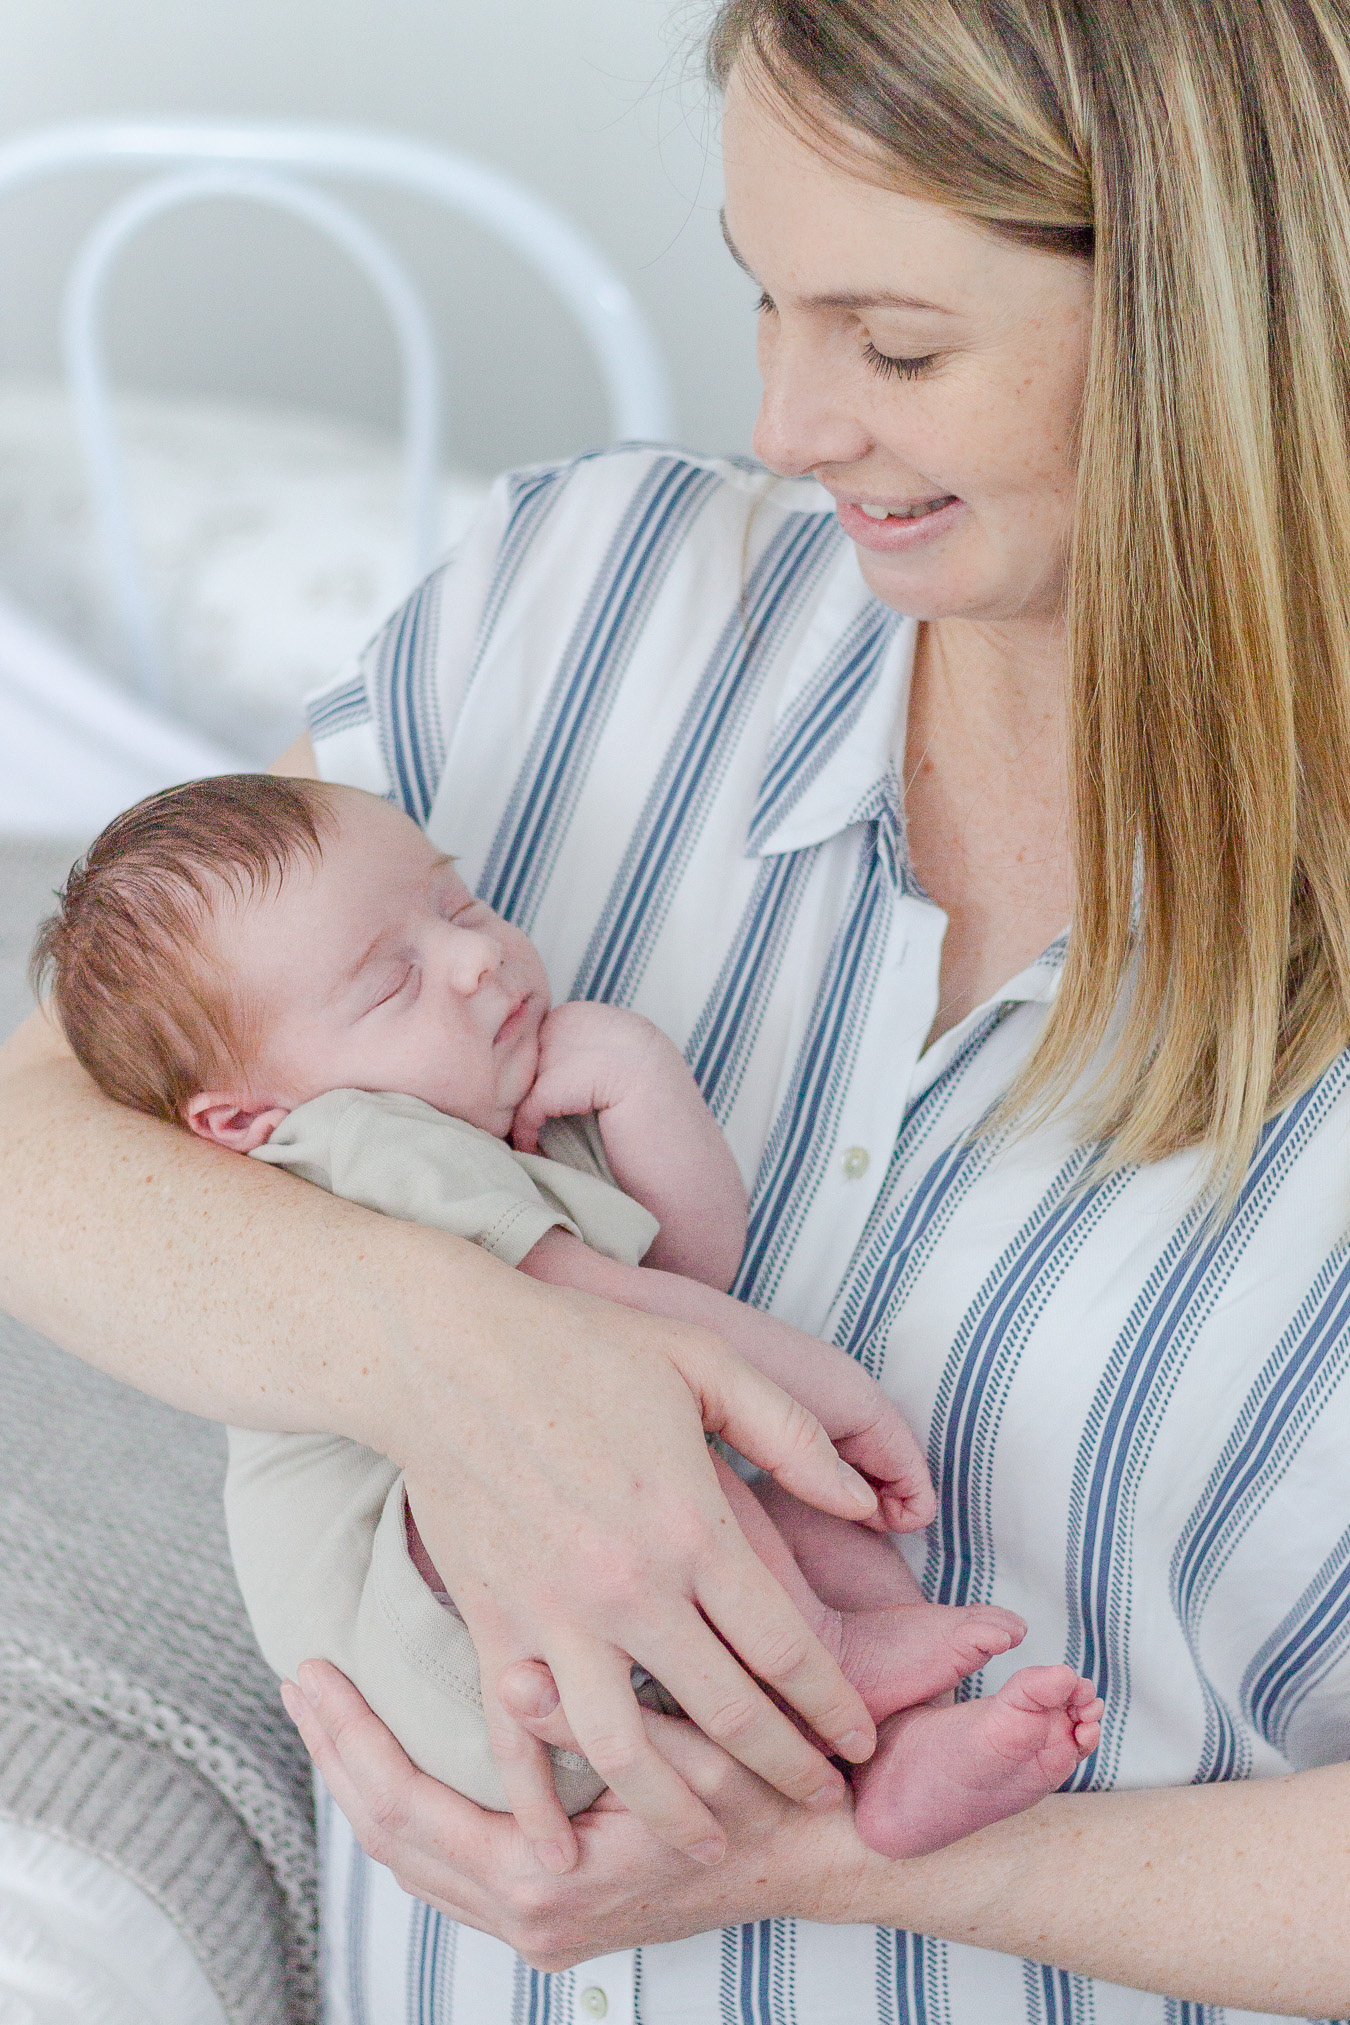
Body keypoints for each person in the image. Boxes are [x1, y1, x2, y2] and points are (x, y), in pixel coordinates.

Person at [2, 0, 1349, 2018]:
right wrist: (472, 1355)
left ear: (1227, 327)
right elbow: (50, 1139)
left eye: (897, 344)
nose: (791, 427)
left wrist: (881, 1858)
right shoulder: (571, 601)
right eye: (764, 300)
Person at [32, 767, 1100, 1855]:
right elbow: (630, 1319)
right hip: (431, 1642)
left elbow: (692, 1270)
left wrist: (641, 1083)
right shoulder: (345, 1144)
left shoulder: (488, 1124)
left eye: (458, 906)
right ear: (244, 1120)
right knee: (626, 1430)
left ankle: (903, 1744)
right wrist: (831, 1396)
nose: (474, 958)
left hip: (552, 1651)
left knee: (733, 1480)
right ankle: (832, 1648)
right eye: (393, 984)